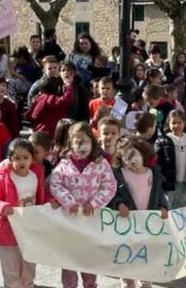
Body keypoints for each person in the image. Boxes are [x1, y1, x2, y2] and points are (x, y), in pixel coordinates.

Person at [49, 122, 117, 288]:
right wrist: (68, 201)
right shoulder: (64, 165)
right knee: (69, 260)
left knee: (88, 260)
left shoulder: (101, 164)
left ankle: (90, 285)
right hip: (69, 221)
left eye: (85, 140)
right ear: (70, 142)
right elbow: (55, 184)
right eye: (77, 140)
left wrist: (94, 204)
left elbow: (110, 186)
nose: (81, 144)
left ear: (92, 142)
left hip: (90, 221)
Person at [0, 139, 47, 288]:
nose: (22, 161)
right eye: (17, 158)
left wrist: (50, 201)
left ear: (31, 159)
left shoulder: (36, 174)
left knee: (29, 270)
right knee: (11, 273)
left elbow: (41, 197)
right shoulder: (3, 177)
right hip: (9, 232)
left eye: (25, 157)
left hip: (30, 231)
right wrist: (3, 206)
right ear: (10, 159)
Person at [109, 136, 169, 288]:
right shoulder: (119, 175)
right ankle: (128, 283)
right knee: (126, 259)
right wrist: (119, 204)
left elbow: (159, 193)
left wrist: (163, 206)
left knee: (145, 259)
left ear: (142, 153)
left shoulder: (152, 174)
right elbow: (112, 195)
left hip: (147, 227)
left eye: (133, 154)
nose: (131, 160)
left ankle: (145, 283)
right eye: (126, 157)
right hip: (126, 226)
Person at [154, 110, 186, 209]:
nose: (176, 125)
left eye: (179, 123)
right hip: (170, 182)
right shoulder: (163, 140)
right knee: (169, 206)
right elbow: (158, 162)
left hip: (185, 180)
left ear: (184, 123)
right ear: (168, 123)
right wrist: (162, 178)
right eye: (173, 123)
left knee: (182, 207)